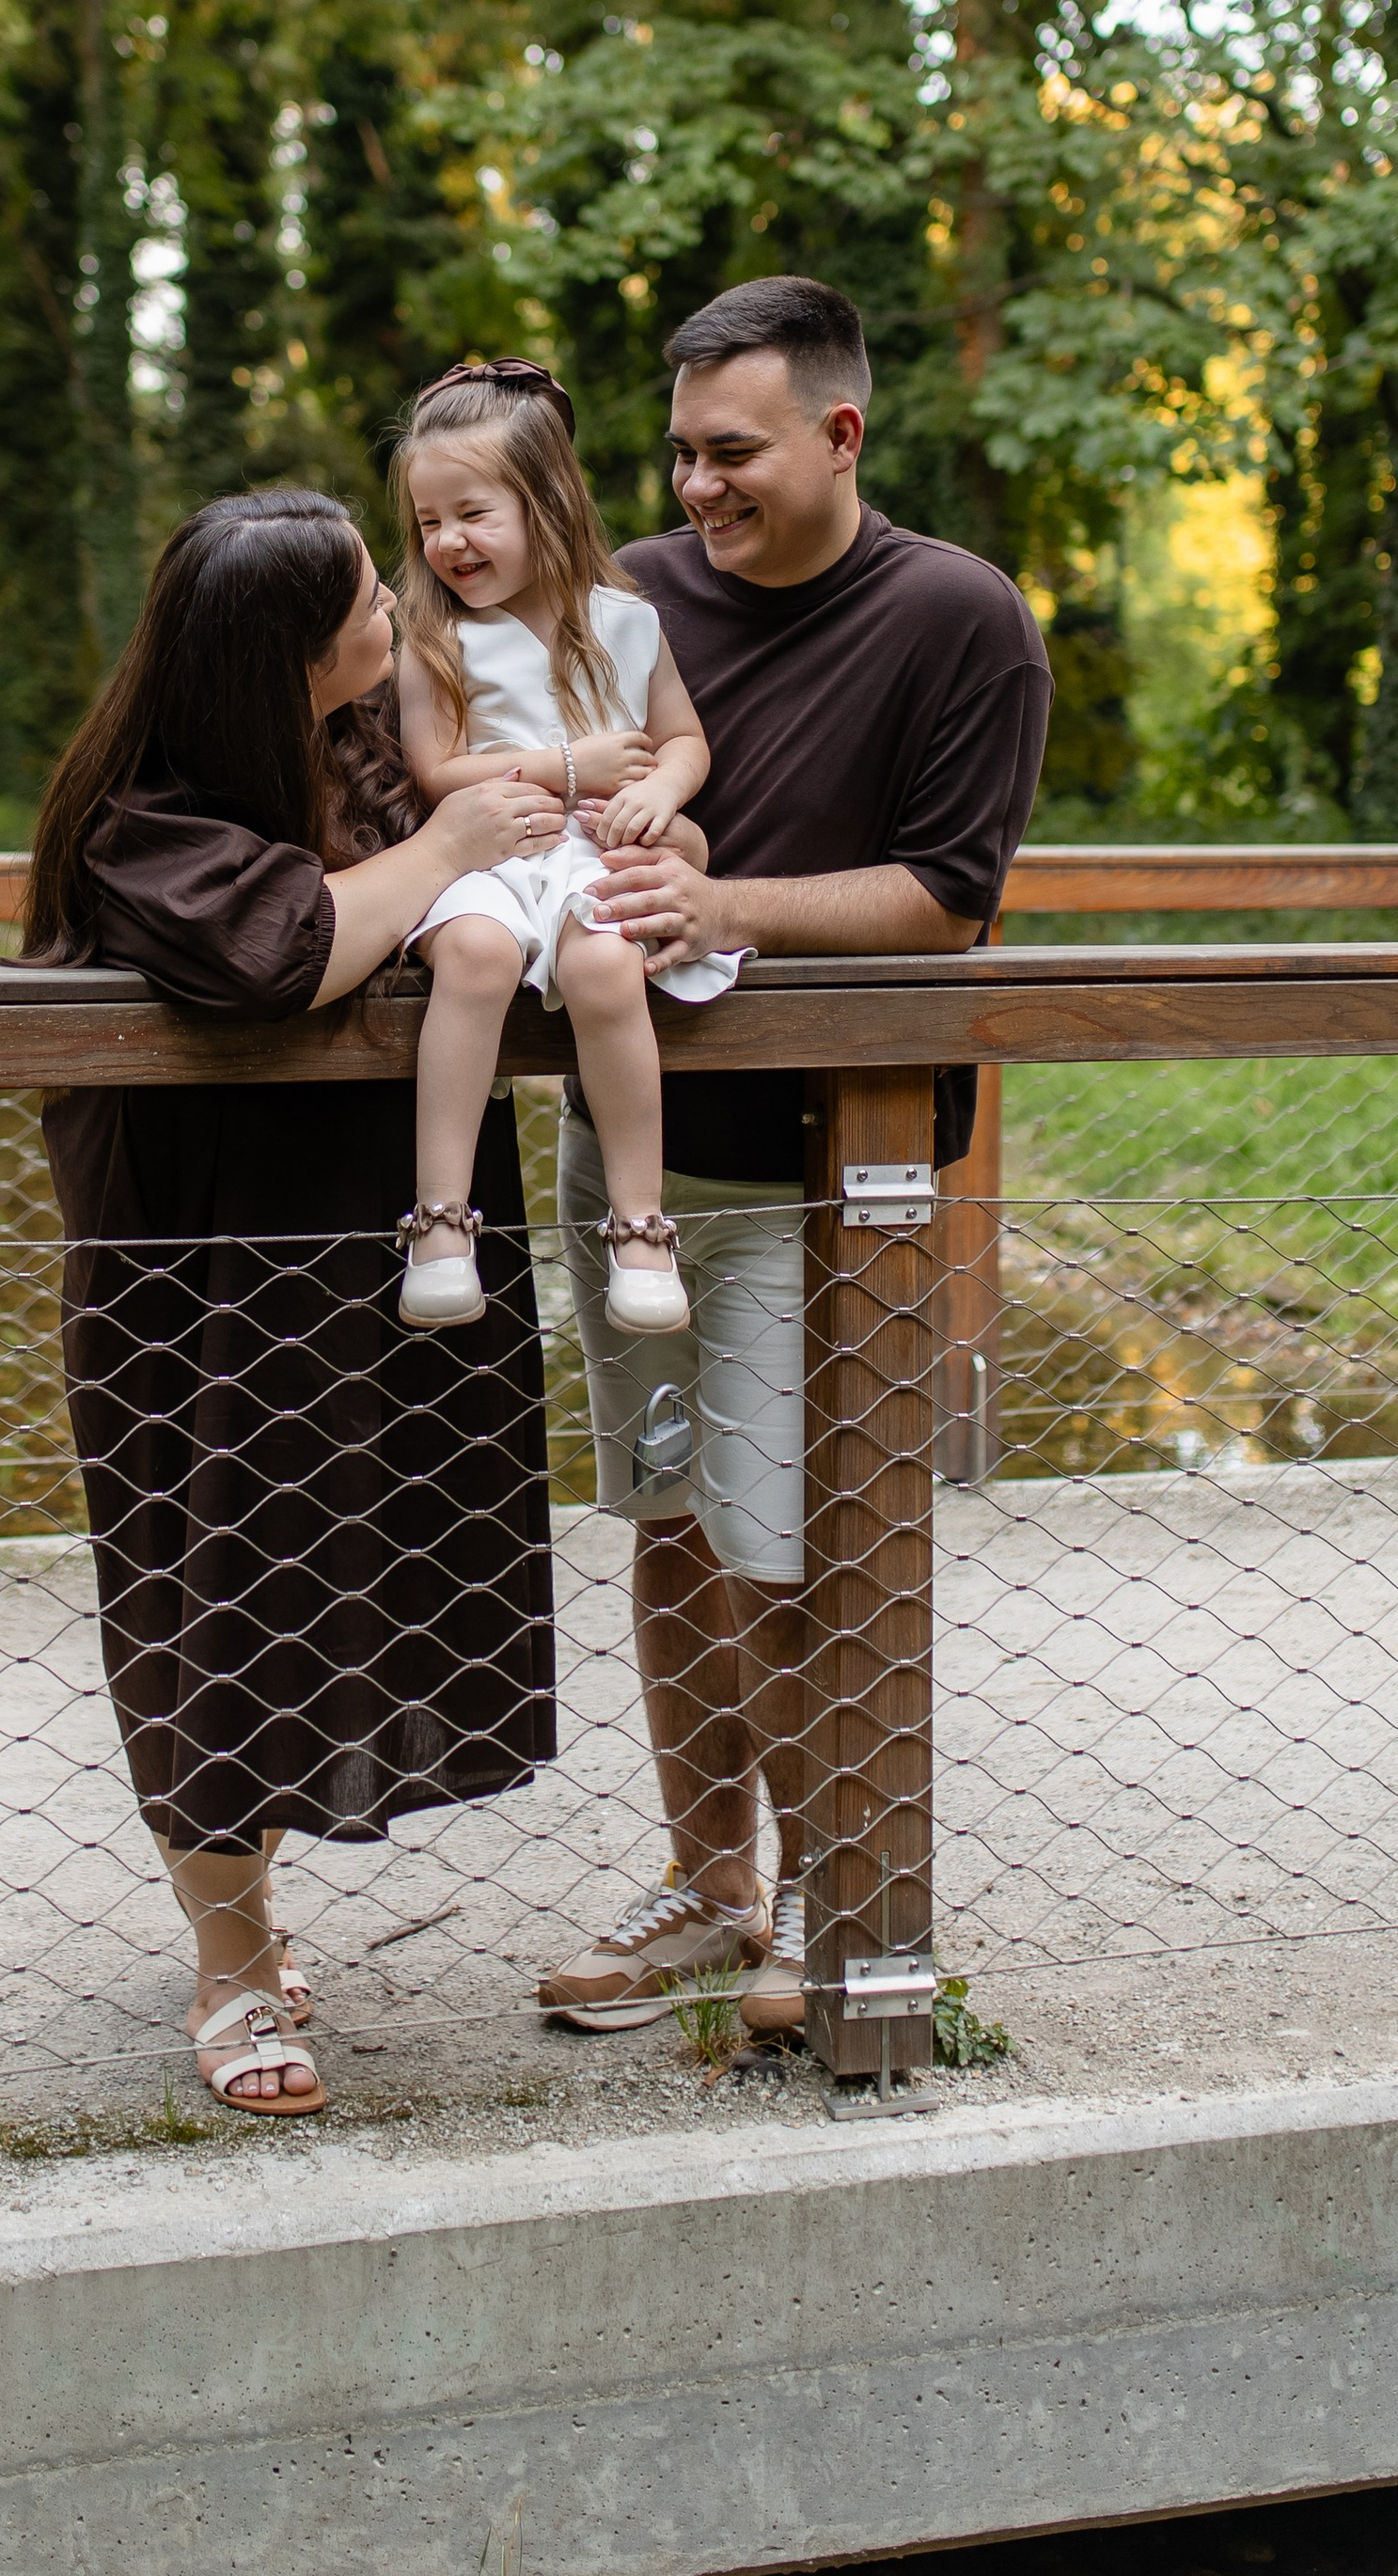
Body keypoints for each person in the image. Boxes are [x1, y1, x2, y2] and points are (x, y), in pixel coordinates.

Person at [535, 278, 1052, 2035]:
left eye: (733, 451)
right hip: (630, 1167)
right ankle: (711, 1888)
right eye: (682, 452)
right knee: (674, 1525)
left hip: (840, 1174)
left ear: (841, 433)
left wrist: (724, 904)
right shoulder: (627, 596)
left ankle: (844, 1909)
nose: (698, 486)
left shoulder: (959, 617)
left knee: (797, 1548)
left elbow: (948, 895)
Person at [21, 488, 568, 2117]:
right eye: (364, 604)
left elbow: (516, 850)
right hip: (201, 1273)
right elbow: (284, 954)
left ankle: (253, 1923)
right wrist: (450, 852)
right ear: (280, 655)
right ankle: (233, 1962)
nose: (396, 608)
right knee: (213, 1576)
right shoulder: (142, 815)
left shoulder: (371, 747)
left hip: (369, 1242)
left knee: (348, 1561)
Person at [388, 357, 745, 1339]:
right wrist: (568, 765)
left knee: (604, 963)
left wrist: (661, 790)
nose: (448, 541)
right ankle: (441, 1222)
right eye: (428, 521)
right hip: (490, 856)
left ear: (546, 502)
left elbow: (683, 738)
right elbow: (436, 770)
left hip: (588, 858)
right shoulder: (435, 638)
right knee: (473, 954)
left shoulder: (625, 622)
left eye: (473, 513)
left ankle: (639, 1225)